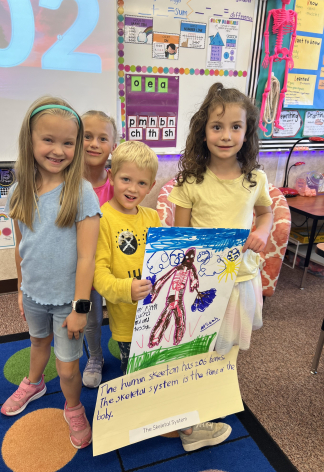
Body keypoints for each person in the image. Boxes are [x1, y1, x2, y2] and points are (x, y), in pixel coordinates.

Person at [168, 82, 273, 451]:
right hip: (203, 284)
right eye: (217, 127)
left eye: (235, 127)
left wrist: (262, 230)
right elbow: (180, 240)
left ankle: (207, 404)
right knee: (198, 346)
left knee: (226, 349)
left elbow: (265, 211)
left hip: (241, 280)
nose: (226, 135)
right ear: (203, 131)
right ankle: (191, 422)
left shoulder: (254, 179)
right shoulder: (191, 181)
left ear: (247, 132)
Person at [1, 97, 101, 450]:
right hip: (33, 294)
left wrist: (80, 309)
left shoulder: (82, 193)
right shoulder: (18, 191)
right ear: (29, 140)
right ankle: (33, 382)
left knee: (69, 369)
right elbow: (20, 247)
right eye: (48, 140)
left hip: (68, 303)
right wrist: (19, 289)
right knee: (37, 343)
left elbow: (87, 258)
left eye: (68, 142)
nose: (58, 150)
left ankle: (73, 407)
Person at [93, 141, 162, 374]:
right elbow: (98, 274)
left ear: (151, 186)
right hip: (126, 317)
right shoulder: (102, 219)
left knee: (156, 366)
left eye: (141, 183)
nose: (133, 189)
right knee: (132, 371)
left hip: (156, 311)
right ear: (111, 177)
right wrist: (126, 290)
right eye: (126, 180)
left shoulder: (152, 217)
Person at [81, 110, 117, 388]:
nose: (94, 143)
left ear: (113, 147)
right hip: (83, 265)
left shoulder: (119, 183)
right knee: (90, 318)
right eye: (87, 136)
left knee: (125, 311)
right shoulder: (69, 184)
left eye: (102, 138)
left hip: (115, 263)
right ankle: (95, 356)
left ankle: (131, 353)